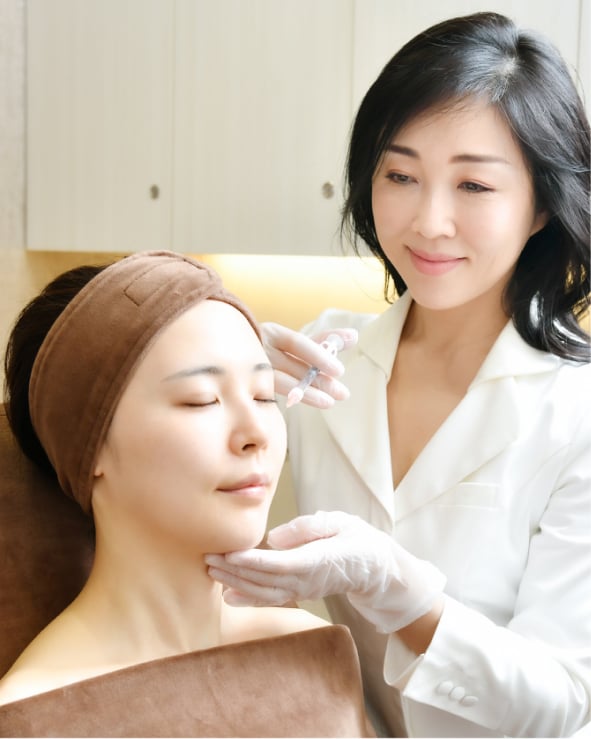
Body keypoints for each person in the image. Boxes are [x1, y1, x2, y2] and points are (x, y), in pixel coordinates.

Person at [205, 12, 591, 738]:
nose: (429, 221)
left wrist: (395, 588)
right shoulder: (322, 355)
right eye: (401, 175)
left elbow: (561, 701)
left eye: (473, 185)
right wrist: (218, 365)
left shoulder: (576, 409)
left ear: (541, 204)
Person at [0, 250, 333, 709]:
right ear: (91, 445)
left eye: (263, 395)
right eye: (201, 399)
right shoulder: (37, 714)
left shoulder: (311, 649)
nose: (256, 434)